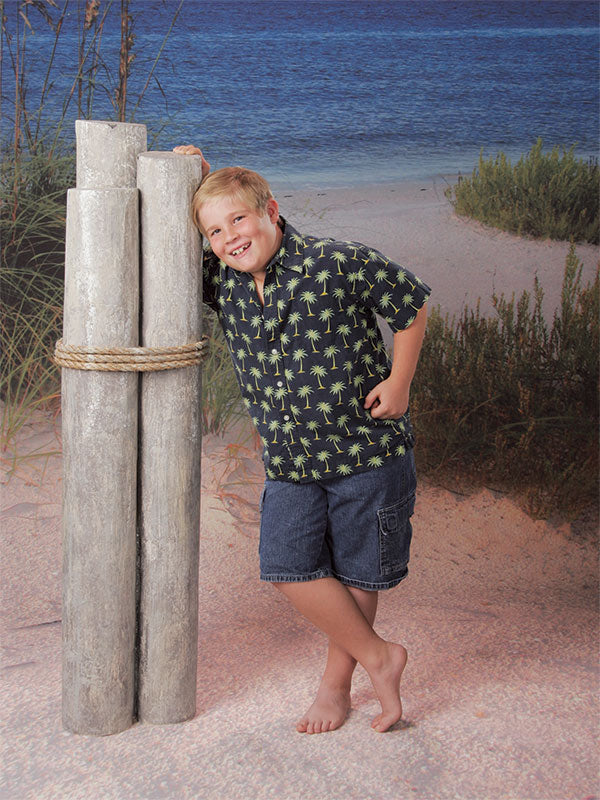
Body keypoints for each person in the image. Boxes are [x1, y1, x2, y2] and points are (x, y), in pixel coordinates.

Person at [174, 145, 431, 734]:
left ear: (272, 210)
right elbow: (176, 239)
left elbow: (411, 304)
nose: (230, 238)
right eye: (215, 231)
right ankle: (381, 658)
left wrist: (399, 382)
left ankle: (335, 688)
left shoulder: (337, 261)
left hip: (367, 452)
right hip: (290, 461)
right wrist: (195, 175)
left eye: (239, 219)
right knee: (288, 565)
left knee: (359, 576)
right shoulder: (223, 281)